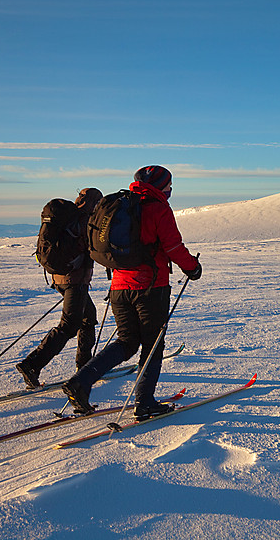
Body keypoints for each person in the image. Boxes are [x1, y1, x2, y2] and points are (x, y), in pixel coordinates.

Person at [62, 166, 201, 419]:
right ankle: (145, 401)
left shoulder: (123, 205)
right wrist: (192, 267)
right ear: (161, 186)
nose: (171, 190)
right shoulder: (158, 208)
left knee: (126, 341)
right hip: (151, 288)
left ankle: (81, 382)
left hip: (119, 287)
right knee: (152, 344)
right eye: (169, 185)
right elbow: (173, 246)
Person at [16, 187, 104, 389]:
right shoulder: (84, 221)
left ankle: (84, 366)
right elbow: (93, 250)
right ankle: (32, 364)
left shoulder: (67, 216)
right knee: (70, 325)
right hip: (75, 280)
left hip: (60, 277)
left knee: (88, 317)